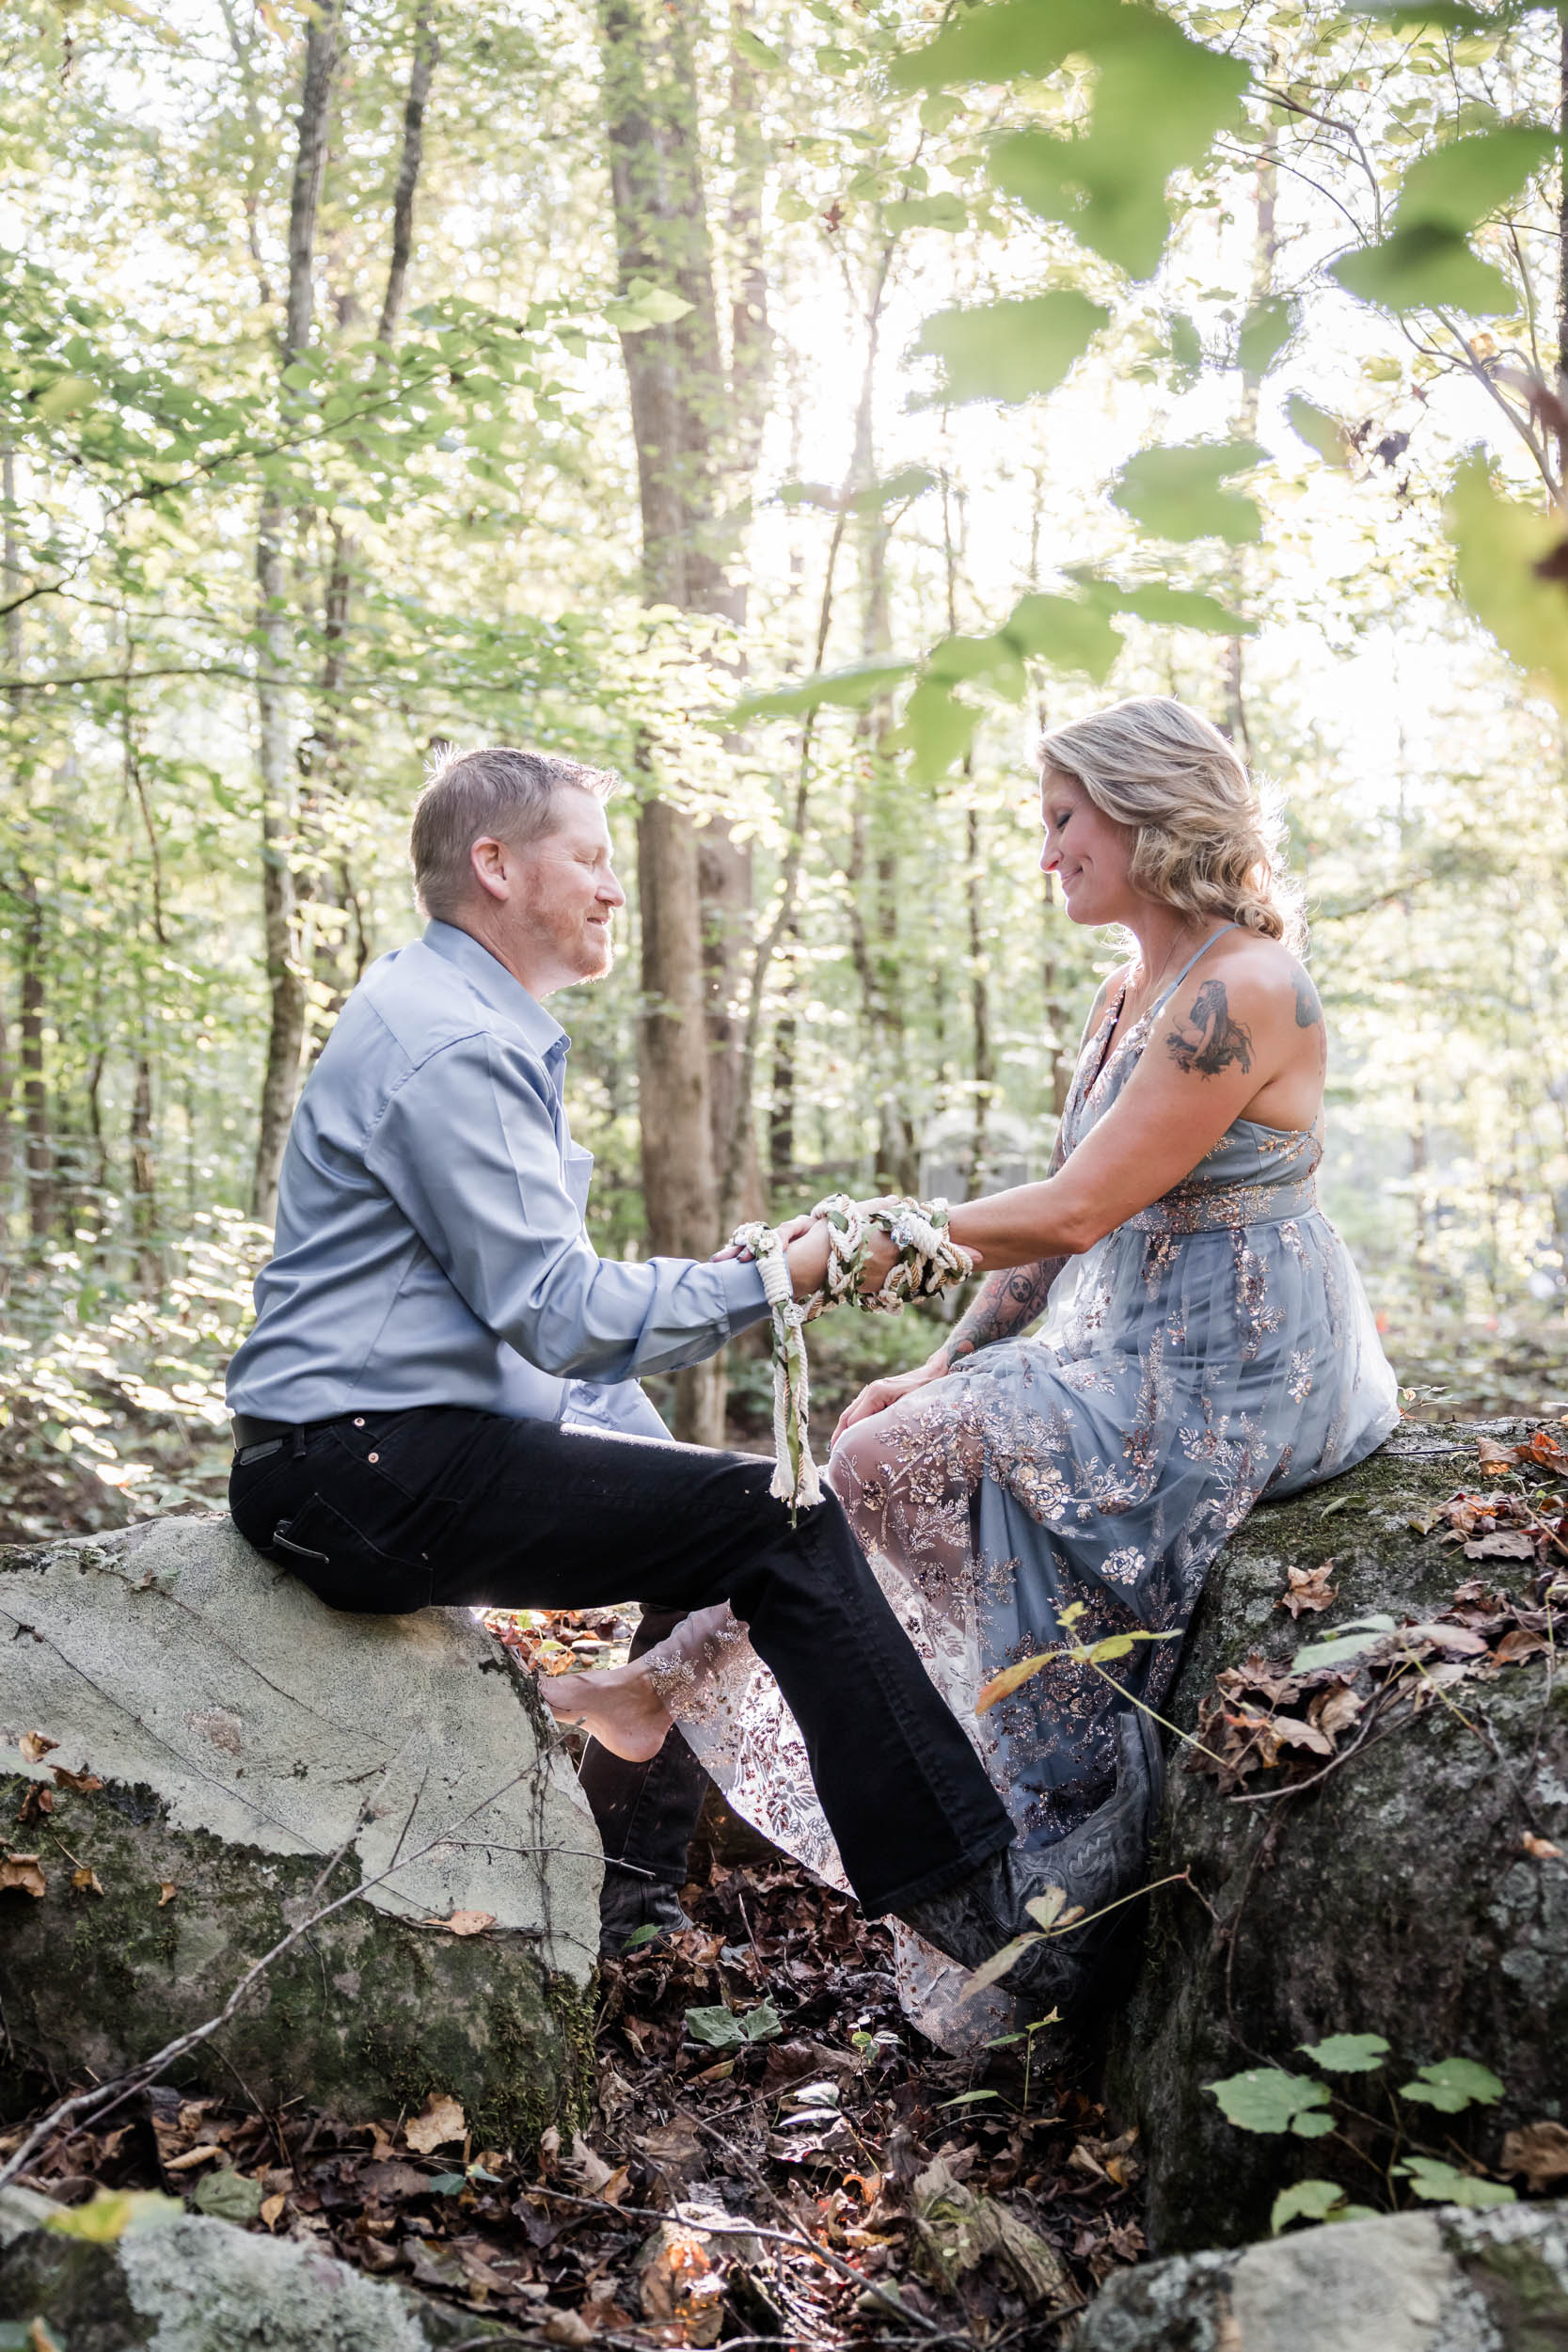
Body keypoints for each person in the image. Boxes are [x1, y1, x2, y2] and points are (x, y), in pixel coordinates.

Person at [548, 696, 1400, 2040]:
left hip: (1241, 1366)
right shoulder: (1123, 996)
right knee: (892, 1439)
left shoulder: (1248, 987)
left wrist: (861, 1240)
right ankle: (680, 1705)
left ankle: (684, 1701)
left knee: (888, 1462)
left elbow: (1070, 1211)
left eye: (1064, 821)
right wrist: (945, 1358)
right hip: (1125, 1340)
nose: (1047, 852)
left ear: (1146, 813)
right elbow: (1069, 1230)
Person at [225, 743, 1091, 1996]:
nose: (613, 887)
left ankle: (626, 1907)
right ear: (495, 865)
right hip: (361, 1471)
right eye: (588, 856)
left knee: (735, 1520)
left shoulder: (456, 1016)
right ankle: (987, 1919)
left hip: (377, 1456)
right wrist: (784, 1274)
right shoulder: (451, 1043)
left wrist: (677, 1481)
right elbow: (562, 1316)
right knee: (784, 1521)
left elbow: (528, 1341)